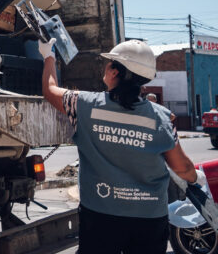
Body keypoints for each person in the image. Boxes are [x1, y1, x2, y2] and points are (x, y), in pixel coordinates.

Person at [40, 38, 196, 254]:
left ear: (114, 73)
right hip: (149, 219)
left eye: (109, 63)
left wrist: (49, 56)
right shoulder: (163, 117)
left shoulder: (82, 104)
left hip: (100, 216)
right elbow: (183, 169)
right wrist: (197, 178)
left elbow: (50, 90)